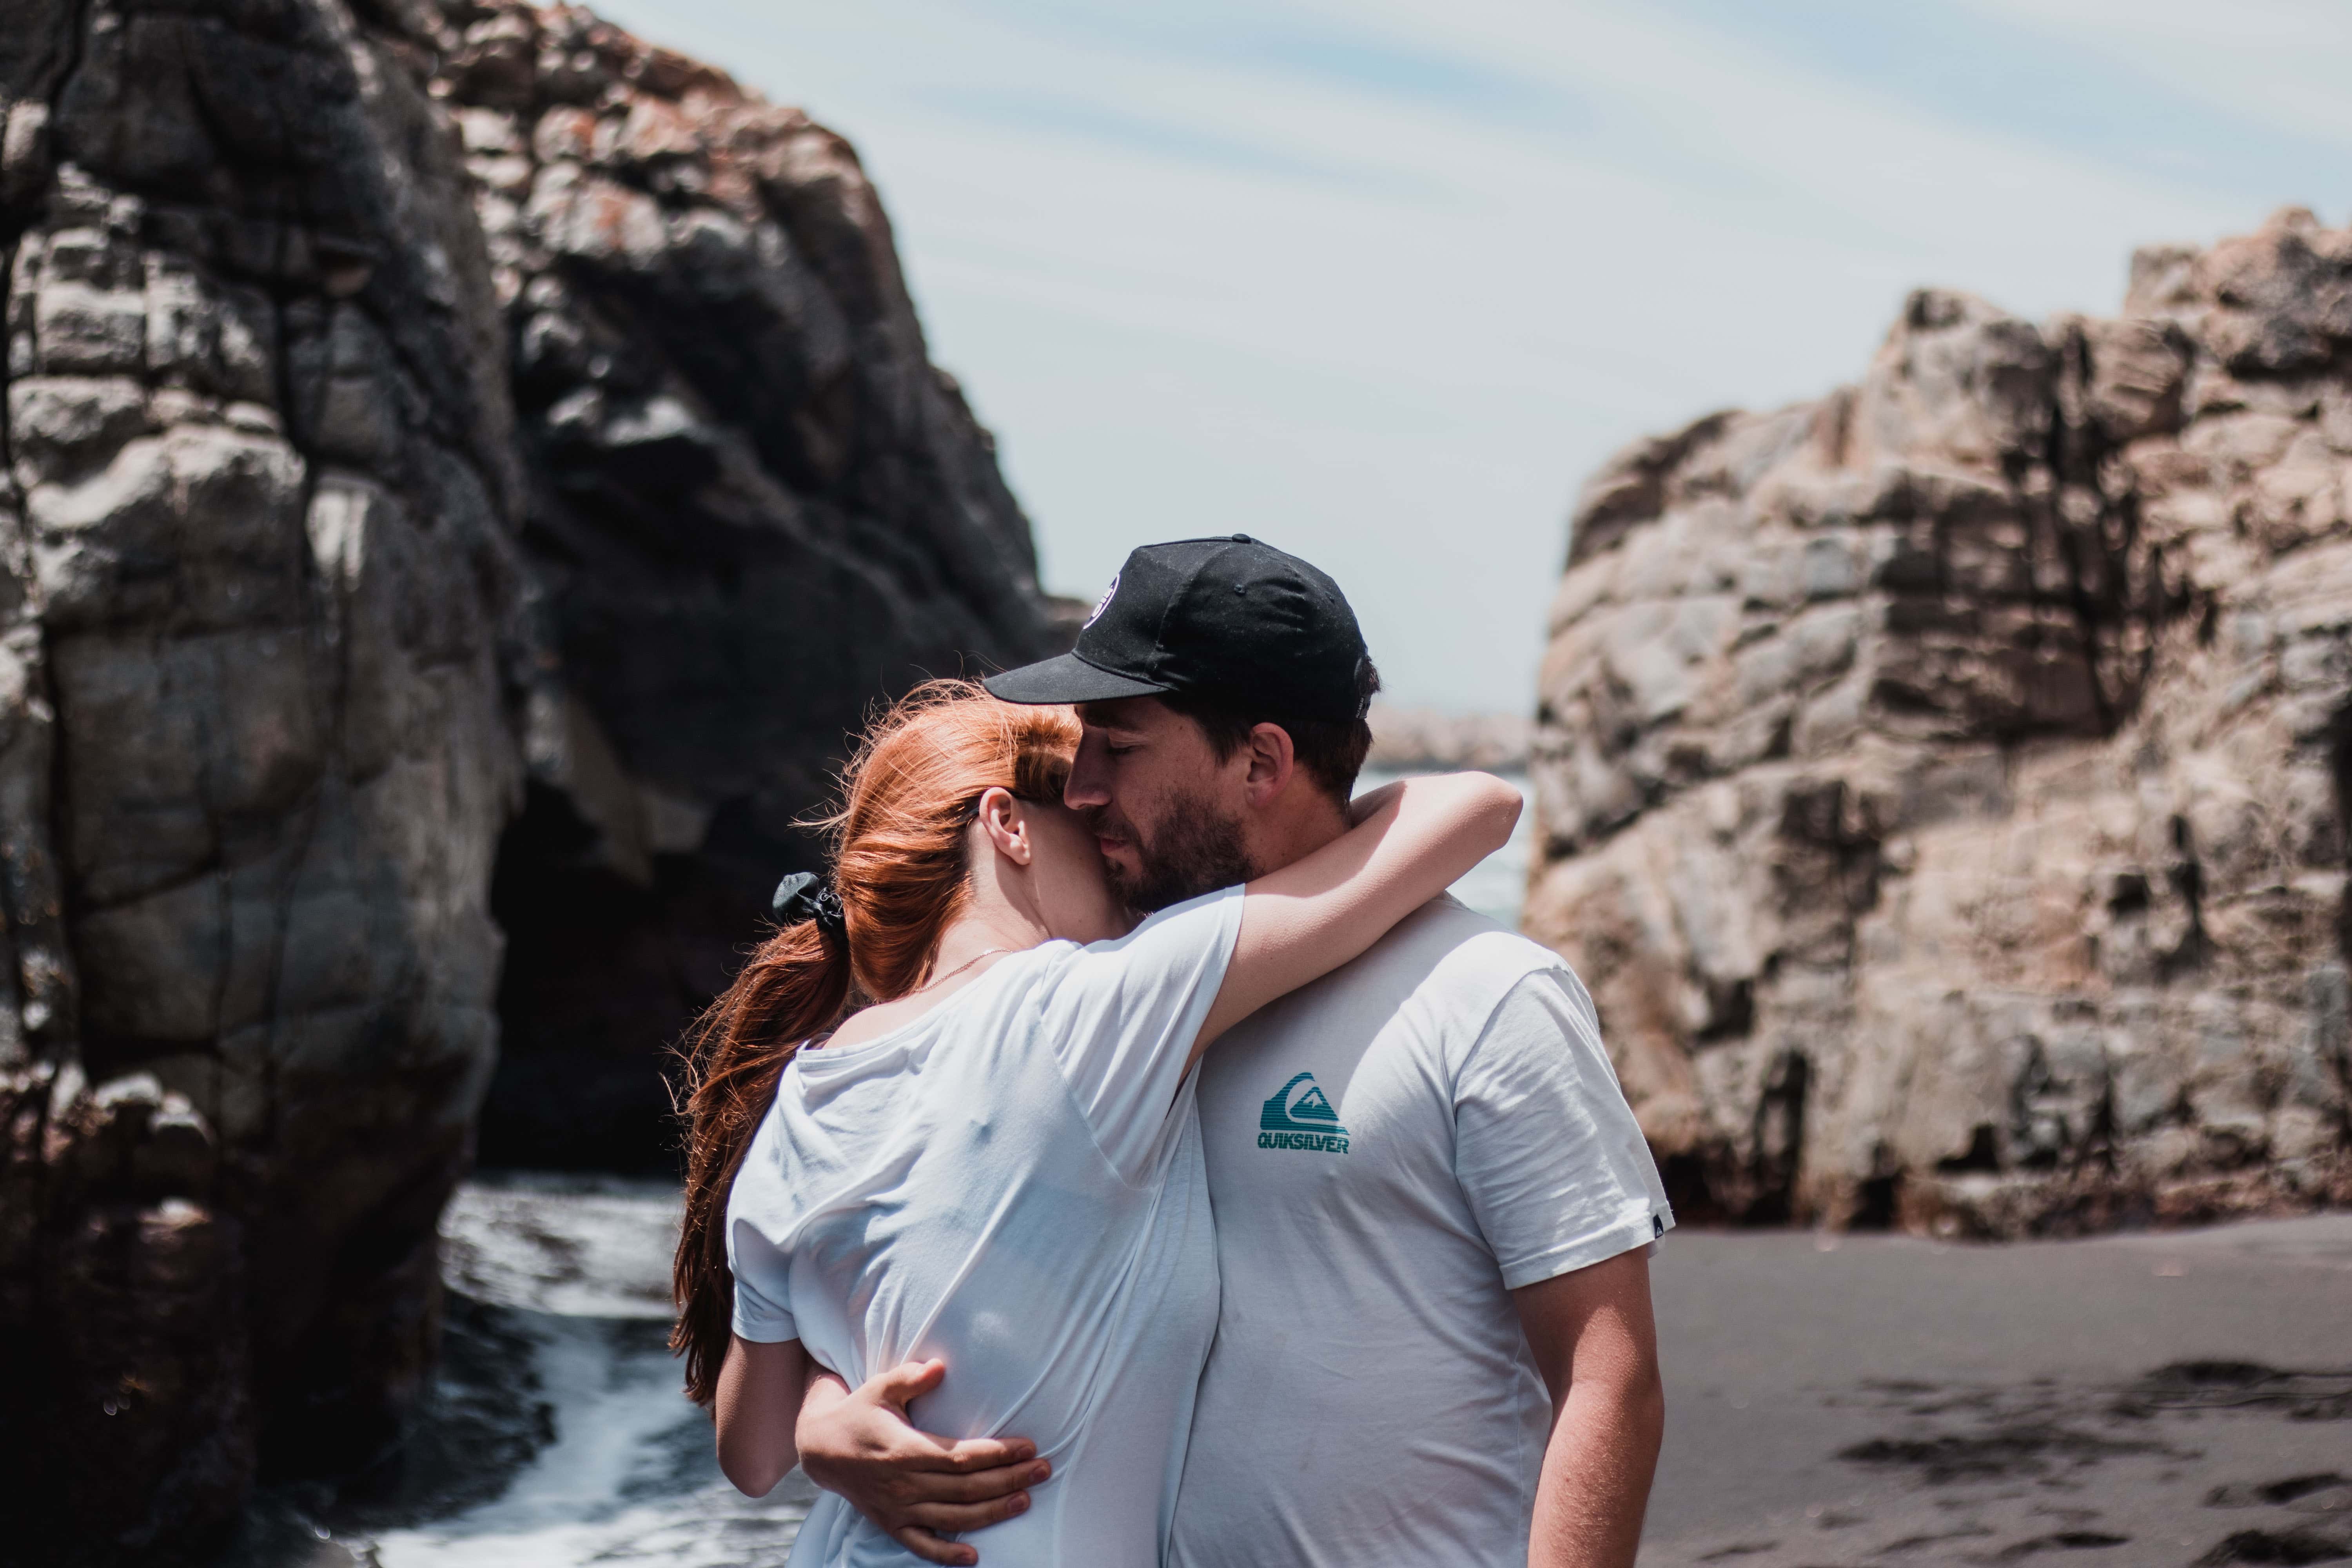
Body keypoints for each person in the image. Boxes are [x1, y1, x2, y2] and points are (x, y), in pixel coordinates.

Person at [796, 537, 1673, 1568]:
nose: (1080, 790)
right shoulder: (1109, 1001)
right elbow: (919, 1245)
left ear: (1261, 762)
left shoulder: (1484, 995)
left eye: (1117, 749)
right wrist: (827, 1420)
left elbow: (1609, 1375)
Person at [669, 678, 1521, 1566]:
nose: (1121, 845)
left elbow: (754, 1454)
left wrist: (823, 1418)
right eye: (1086, 811)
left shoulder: (798, 1097)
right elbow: (1480, 805)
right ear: (1008, 824)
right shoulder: (1088, 1012)